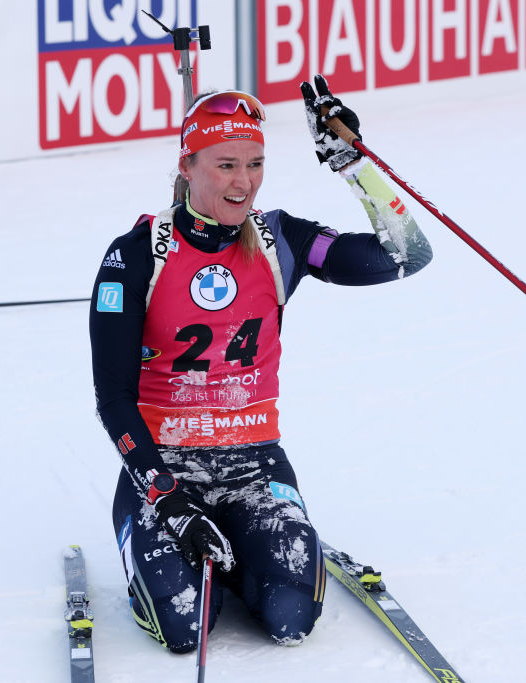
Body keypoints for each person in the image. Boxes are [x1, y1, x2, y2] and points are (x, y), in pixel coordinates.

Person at [89, 75, 432, 653]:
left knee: (291, 618)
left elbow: (406, 255)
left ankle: (243, 555)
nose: (242, 181)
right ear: (188, 163)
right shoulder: (136, 254)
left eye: (254, 163)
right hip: (165, 471)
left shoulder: (281, 240)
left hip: (255, 468)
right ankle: (152, 544)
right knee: (184, 629)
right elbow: (113, 398)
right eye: (224, 164)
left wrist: (355, 165)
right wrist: (167, 499)